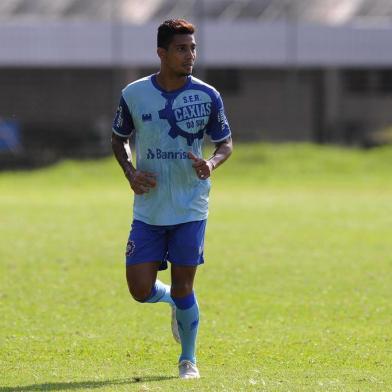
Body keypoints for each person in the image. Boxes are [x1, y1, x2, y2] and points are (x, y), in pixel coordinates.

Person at [111, 18, 233, 379]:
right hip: (149, 207)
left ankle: (188, 360)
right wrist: (131, 173)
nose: (190, 54)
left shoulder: (208, 95)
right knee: (139, 289)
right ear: (161, 53)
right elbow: (118, 138)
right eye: (182, 48)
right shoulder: (134, 93)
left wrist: (210, 163)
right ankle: (175, 306)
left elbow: (226, 142)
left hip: (190, 206)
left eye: (193, 48)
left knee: (185, 285)